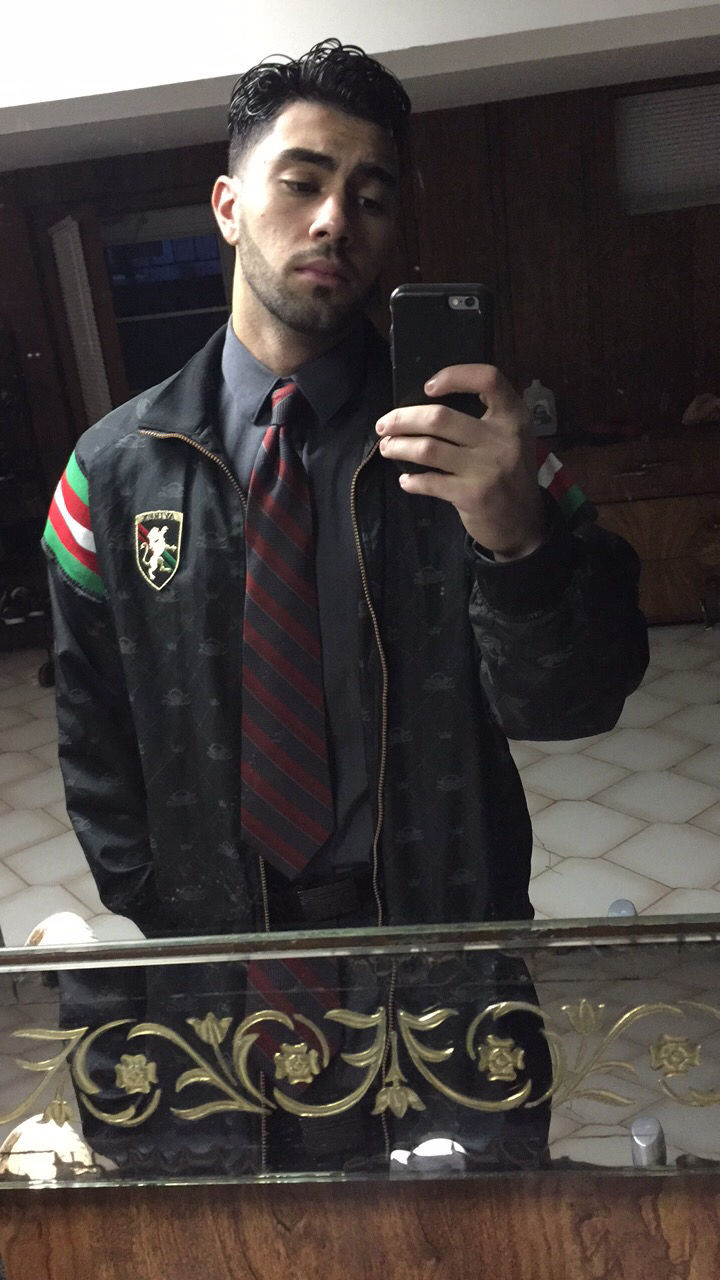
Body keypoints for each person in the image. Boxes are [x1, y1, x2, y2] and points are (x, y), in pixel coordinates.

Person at [42, 39, 647, 1172]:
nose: (334, 219)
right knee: (255, 1222)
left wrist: (515, 535)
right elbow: (93, 727)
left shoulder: (483, 451)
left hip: (443, 954)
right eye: (303, 181)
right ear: (229, 205)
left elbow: (574, 702)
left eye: (370, 196)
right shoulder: (111, 474)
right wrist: (169, 906)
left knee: (465, 1227)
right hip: (218, 969)